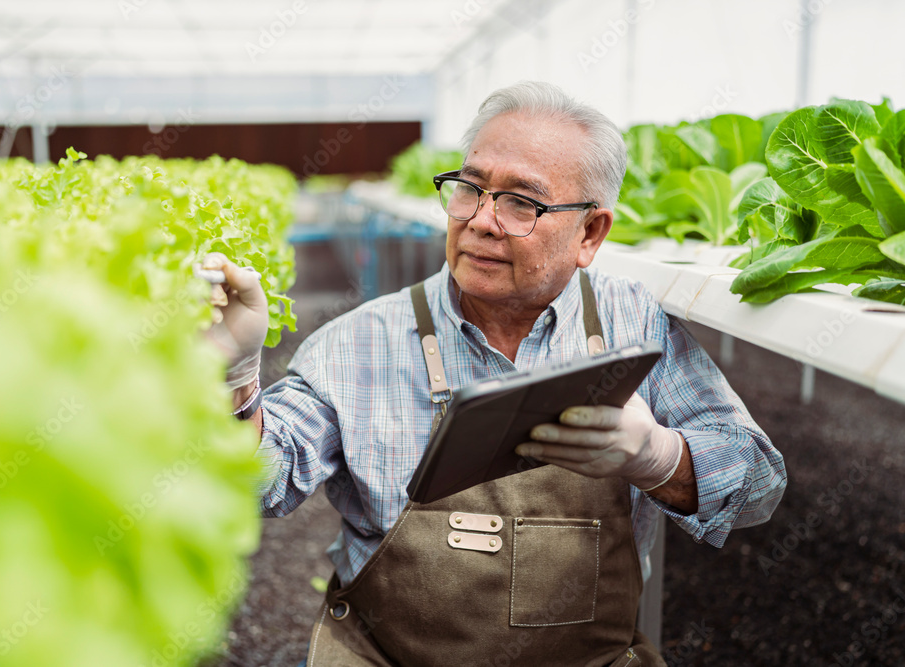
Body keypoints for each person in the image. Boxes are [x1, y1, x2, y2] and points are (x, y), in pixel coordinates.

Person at [202, 81, 786, 666]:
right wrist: (234, 382)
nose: (481, 220)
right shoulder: (359, 342)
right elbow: (258, 485)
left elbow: (758, 483)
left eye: (520, 203)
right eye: (469, 189)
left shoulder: (635, 326)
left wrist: (660, 458)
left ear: (590, 233)